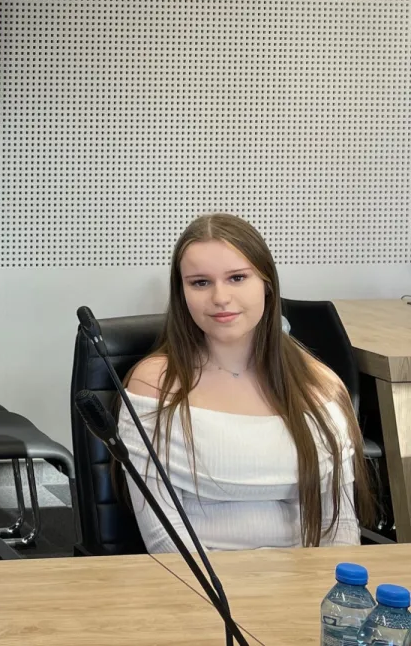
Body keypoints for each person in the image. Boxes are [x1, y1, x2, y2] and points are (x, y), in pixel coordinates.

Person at [119, 213, 372, 553]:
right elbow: (164, 538)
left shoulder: (321, 387)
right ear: (182, 294)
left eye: (237, 278)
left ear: (267, 284)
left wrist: (323, 584)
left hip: (306, 579)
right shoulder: (154, 386)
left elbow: (340, 526)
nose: (220, 297)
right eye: (200, 283)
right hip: (197, 581)